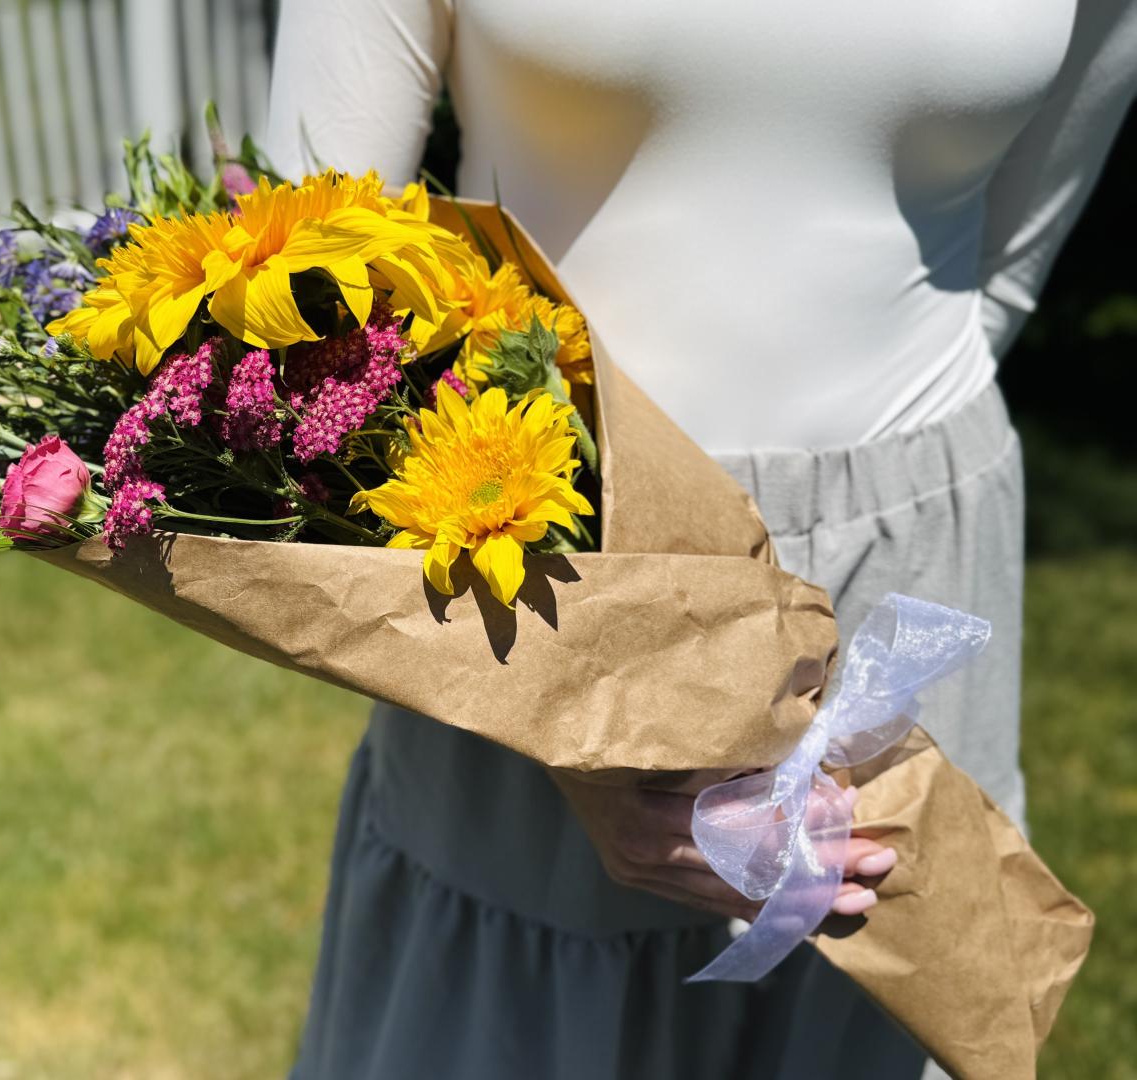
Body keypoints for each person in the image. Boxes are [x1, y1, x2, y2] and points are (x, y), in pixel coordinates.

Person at [262, 3, 1137, 1077]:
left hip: (914, 562)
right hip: (531, 556)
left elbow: (1006, 265)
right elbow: (298, 320)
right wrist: (573, 710)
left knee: (885, 985)